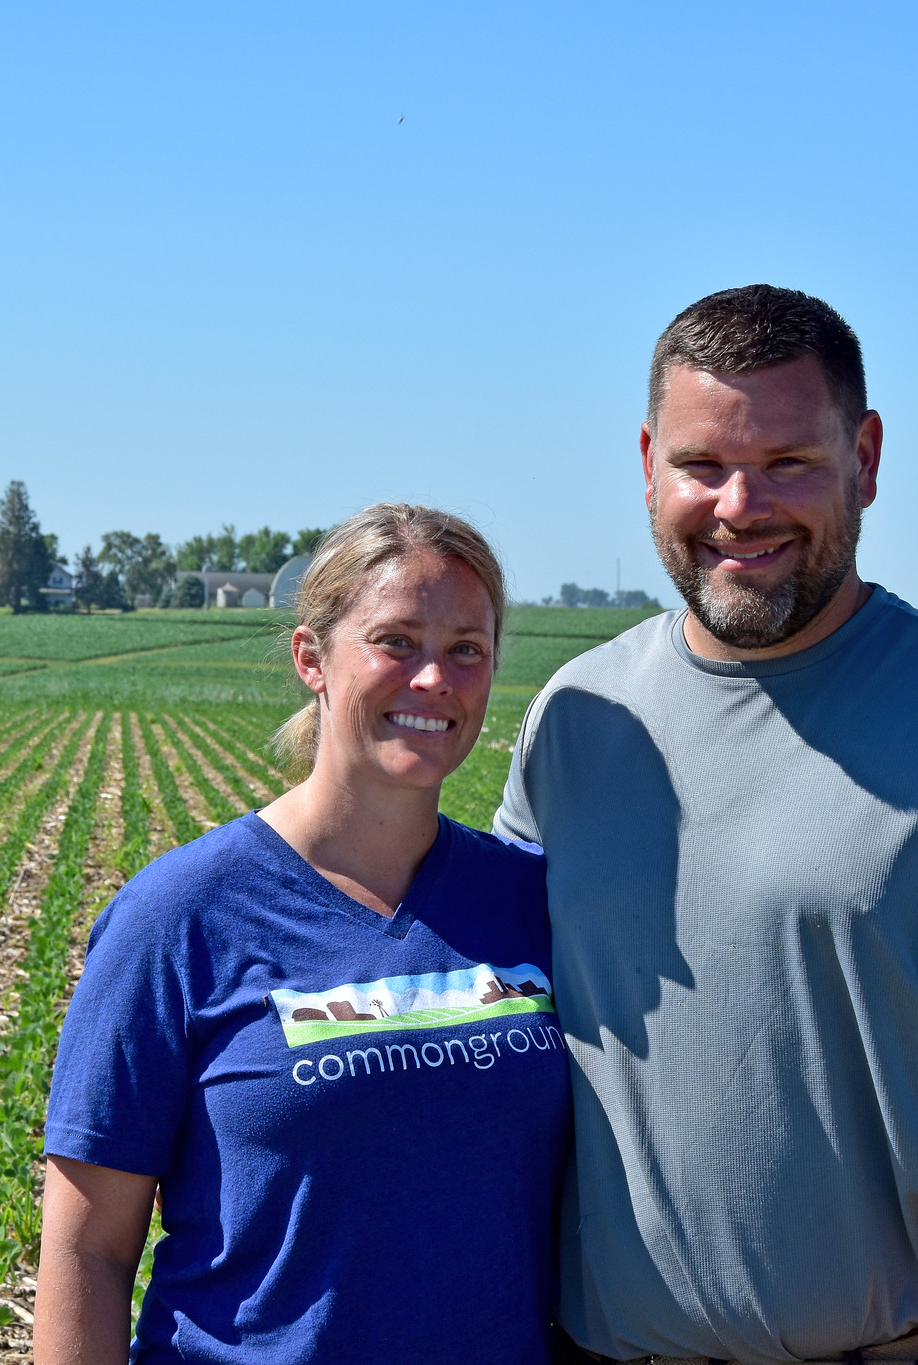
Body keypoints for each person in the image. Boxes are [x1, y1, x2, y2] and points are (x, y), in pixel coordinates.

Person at [495, 286, 918, 1365]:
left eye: (787, 465)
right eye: (702, 465)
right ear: (645, 464)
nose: (739, 505)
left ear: (863, 457)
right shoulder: (576, 720)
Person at [36, 504, 571, 1365]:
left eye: (465, 649)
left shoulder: (529, 900)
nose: (434, 678)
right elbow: (87, 1251)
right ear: (311, 659)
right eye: (396, 641)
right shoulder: (178, 916)